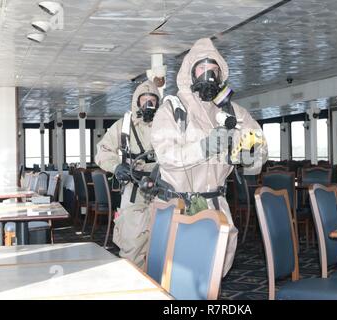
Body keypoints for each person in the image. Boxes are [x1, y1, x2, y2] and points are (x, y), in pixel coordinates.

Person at [151, 38, 268, 276]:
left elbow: (260, 147)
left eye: (213, 70)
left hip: (216, 205)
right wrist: (204, 147)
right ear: (190, 73)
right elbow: (166, 156)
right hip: (179, 206)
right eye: (202, 69)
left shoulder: (233, 111)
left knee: (214, 271)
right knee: (177, 276)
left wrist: (250, 155)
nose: (208, 76)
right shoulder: (172, 110)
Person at [95, 80, 160, 268]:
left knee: (163, 243)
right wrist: (115, 167)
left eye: (152, 100)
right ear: (136, 102)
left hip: (162, 190)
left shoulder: (166, 126)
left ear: (158, 103)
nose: (148, 104)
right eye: (144, 100)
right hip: (133, 190)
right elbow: (102, 151)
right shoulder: (122, 127)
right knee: (132, 243)